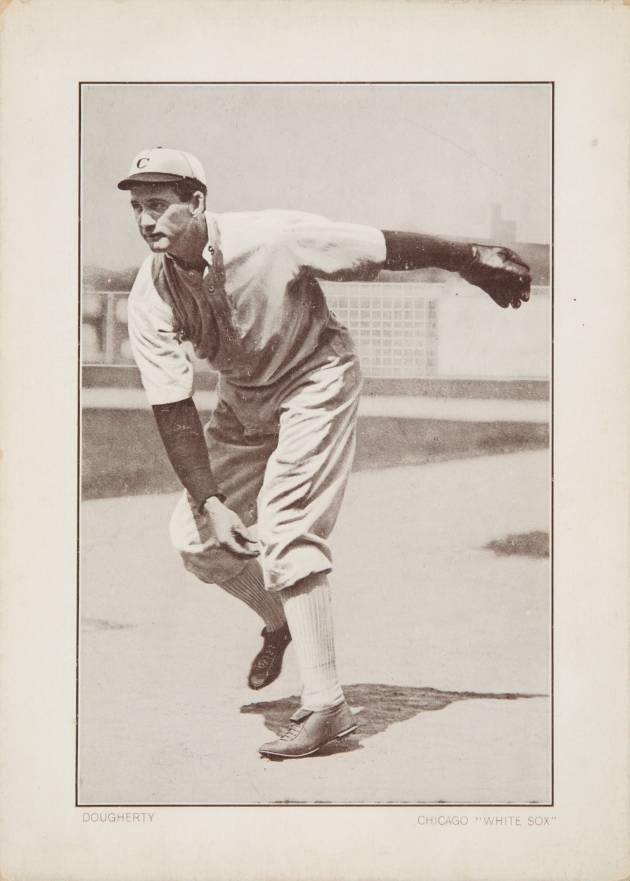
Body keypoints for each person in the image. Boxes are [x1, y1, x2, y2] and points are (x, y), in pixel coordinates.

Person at [118, 146, 530, 760]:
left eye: (160, 204)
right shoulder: (150, 294)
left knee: (286, 527)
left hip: (317, 378)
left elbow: (379, 245)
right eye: (138, 207)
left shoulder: (272, 238)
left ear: (197, 202)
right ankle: (281, 620)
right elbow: (172, 407)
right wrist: (209, 499)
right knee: (197, 539)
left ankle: (327, 708)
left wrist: (469, 258)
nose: (148, 220)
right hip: (244, 401)